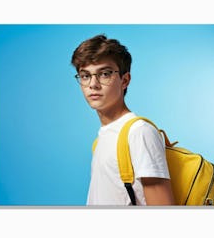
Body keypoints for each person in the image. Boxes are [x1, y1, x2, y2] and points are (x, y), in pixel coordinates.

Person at [71, 34, 175, 206]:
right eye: (85, 76)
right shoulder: (101, 138)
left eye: (104, 74)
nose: (93, 84)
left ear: (124, 80)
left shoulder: (139, 132)